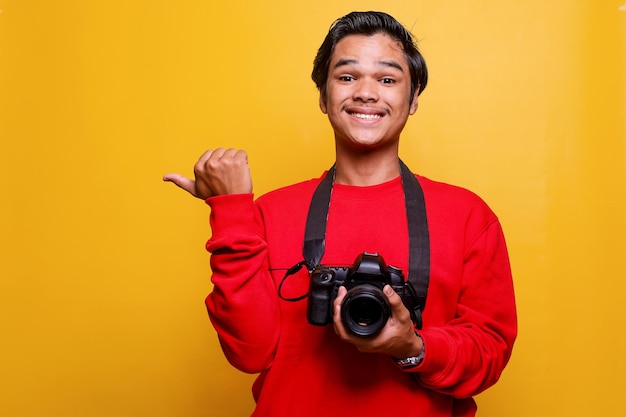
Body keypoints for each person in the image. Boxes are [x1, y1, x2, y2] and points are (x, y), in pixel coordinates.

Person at [164, 11, 517, 417]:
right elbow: (250, 352)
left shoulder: (468, 216)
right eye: (347, 77)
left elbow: (490, 354)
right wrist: (230, 211)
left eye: (388, 79)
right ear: (322, 95)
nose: (366, 93)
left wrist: (412, 346)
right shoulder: (270, 213)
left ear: (414, 97)